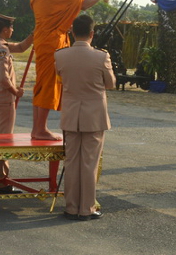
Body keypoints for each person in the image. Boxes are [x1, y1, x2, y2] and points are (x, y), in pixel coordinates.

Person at [30, 0, 116, 140]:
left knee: (43, 83)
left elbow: (56, 13)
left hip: (43, 38)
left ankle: (37, 128)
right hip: (52, 40)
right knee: (47, 85)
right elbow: (83, 4)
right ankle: (39, 129)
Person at [55, 13, 115, 221]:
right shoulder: (102, 56)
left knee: (71, 162)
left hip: (72, 114)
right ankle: (86, 208)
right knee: (89, 163)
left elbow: (61, 78)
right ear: (92, 33)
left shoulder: (60, 55)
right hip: (94, 116)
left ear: (72, 32)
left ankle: (71, 206)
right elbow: (111, 83)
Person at [0, 13, 33, 194]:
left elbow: (21, 47)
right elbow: (5, 79)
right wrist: (16, 91)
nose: (13, 30)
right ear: (5, 29)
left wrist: (32, 36)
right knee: (4, 140)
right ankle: (1, 182)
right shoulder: (2, 49)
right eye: (11, 28)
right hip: (4, 98)